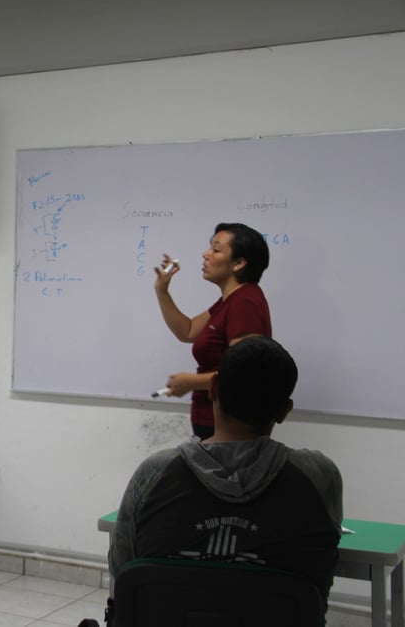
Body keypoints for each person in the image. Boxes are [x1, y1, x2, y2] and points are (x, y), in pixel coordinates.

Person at [109, 337, 343, 609]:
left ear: (213, 389)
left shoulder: (154, 474)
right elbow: (322, 568)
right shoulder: (319, 477)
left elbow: (121, 567)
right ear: (284, 410)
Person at [154, 222, 272, 439]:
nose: (205, 254)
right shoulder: (230, 300)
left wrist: (190, 382)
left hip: (228, 425)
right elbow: (187, 331)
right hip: (211, 420)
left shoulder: (245, 303)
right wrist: (161, 290)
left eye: (216, 250)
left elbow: (246, 372)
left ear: (239, 263)